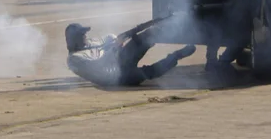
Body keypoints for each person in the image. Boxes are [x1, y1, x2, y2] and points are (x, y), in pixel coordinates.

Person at [65, 18, 196, 88]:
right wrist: (113, 48)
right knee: (150, 72)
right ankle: (177, 56)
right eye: (81, 34)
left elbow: (110, 38)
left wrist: (128, 34)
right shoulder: (74, 59)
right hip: (115, 79)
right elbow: (99, 65)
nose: (85, 36)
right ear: (73, 40)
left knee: (146, 36)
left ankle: (176, 25)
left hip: (120, 58)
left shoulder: (89, 42)